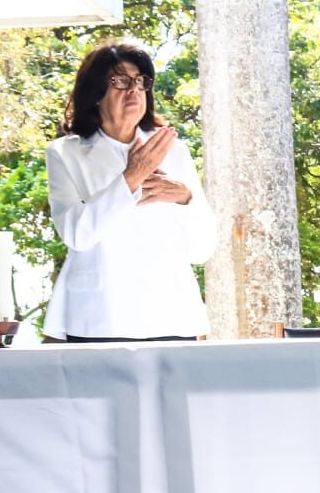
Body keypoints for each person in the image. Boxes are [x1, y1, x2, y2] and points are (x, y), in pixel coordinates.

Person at [42, 43, 216, 342]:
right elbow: (76, 234)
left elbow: (202, 249)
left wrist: (186, 199)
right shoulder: (65, 153)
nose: (134, 90)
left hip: (170, 315)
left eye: (140, 81)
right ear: (95, 93)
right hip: (99, 316)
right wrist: (130, 177)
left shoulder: (173, 150)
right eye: (121, 81)